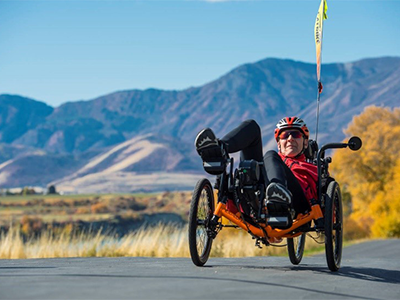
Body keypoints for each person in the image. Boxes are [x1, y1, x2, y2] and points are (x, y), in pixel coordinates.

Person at [194, 117, 318, 217]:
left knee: (270, 156)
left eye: (296, 135)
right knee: (252, 127)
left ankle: (278, 196)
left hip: (296, 205)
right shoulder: (270, 164)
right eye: (285, 136)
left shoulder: (311, 167)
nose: (290, 139)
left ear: (305, 142)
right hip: (257, 201)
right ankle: (219, 150)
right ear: (279, 144)